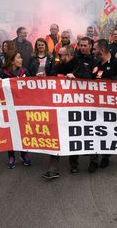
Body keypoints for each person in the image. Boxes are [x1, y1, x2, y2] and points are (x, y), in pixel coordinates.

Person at [41, 45, 92, 179]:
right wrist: (43, 77)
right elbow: (51, 77)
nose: (59, 57)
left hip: (74, 108)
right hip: (58, 107)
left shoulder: (79, 66)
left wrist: (76, 77)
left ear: (68, 55)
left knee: (72, 136)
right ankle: (53, 168)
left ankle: (74, 164)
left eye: (61, 55)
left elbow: (89, 80)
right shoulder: (58, 66)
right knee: (55, 136)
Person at [89, 39, 117, 172]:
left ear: (102, 50)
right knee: (94, 131)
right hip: (95, 105)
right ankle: (93, 159)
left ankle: (106, 156)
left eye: (94, 49)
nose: (92, 51)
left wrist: (108, 82)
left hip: (111, 106)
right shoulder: (95, 63)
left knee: (107, 131)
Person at [0, 50, 31, 169]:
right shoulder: (2, 72)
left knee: (23, 130)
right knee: (10, 132)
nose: (21, 60)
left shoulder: (25, 71)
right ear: (12, 60)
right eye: (19, 58)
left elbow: (32, 88)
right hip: (8, 107)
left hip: (22, 106)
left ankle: (24, 153)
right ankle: (11, 155)